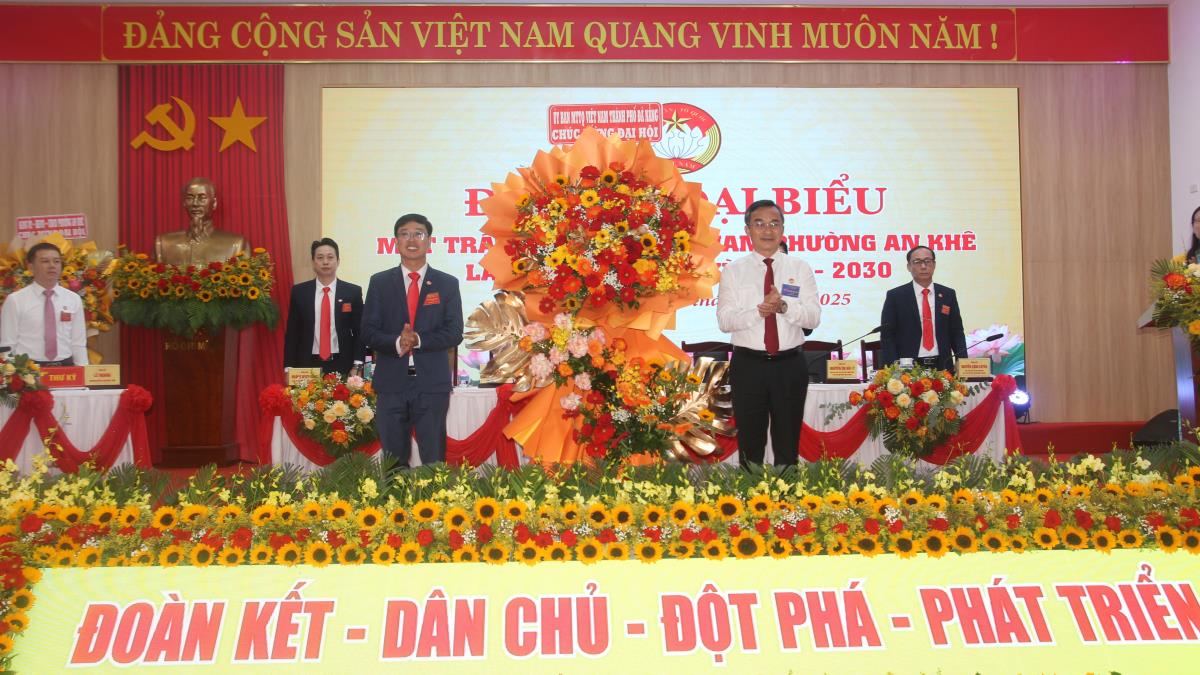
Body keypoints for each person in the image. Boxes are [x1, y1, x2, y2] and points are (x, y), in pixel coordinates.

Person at [717, 199, 820, 467]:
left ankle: (787, 493)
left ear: (782, 229)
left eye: (774, 224)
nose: (767, 230)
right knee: (750, 443)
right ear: (747, 230)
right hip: (748, 365)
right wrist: (759, 311)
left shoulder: (800, 268)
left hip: (790, 365)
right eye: (759, 224)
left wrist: (783, 307)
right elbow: (725, 321)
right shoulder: (733, 271)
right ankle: (751, 491)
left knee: (788, 442)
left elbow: (813, 317)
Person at [362, 214, 463, 466]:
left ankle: (433, 494)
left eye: (418, 233)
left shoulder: (447, 284)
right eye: (405, 234)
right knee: (393, 461)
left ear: (429, 241)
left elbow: (454, 332)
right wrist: (398, 343)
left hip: (432, 384)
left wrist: (418, 339)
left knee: (433, 459)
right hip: (391, 383)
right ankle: (395, 494)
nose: (412, 239)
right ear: (396, 241)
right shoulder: (380, 282)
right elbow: (368, 331)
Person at [283, 238, 364, 376]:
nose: (325, 262)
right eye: (320, 257)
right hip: (307, 364)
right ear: (313, 262)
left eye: (330, 257)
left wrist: (357, 365)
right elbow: (292, 333)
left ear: (338, 261)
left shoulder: (352, 292)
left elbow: (359, 332)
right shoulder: (299, 292)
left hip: (342, 363)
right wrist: (288, 368)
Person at [879, 245, 967, 371]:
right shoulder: (896, 296)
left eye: (928, 261)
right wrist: (893, 366)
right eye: (917, 262)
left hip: (942, 365)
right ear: (909, 267)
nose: (924, 266)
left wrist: (962, 361)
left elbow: (956, 332)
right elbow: (887, 336)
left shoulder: (948, 294)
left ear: (934, 265)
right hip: (907, 367)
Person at [0, 242, 88, 366]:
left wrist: (83, 371)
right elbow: (7, 344)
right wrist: (9, 373)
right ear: (31, 267)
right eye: (45, 261)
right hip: (28, 369)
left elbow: (78, 343)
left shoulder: (73, 299)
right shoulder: (15, 300)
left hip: (66, 368)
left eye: (56, 261)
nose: (52, 266)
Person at [155, 177, 245, 266]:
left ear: (214, 203)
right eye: (190, 198)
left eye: (202, 198)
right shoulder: (163, 244)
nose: (195, 203)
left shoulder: (236, 244)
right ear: (184, 203)